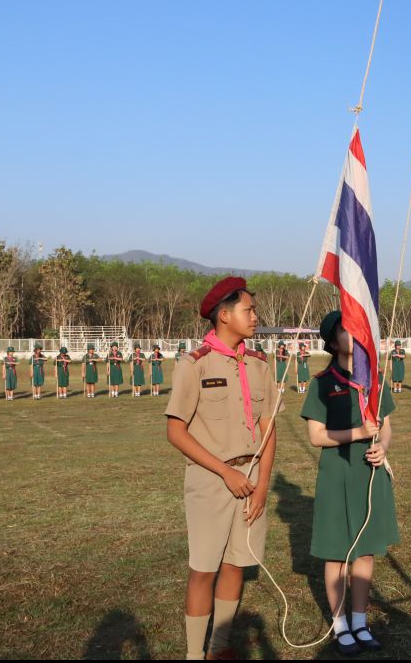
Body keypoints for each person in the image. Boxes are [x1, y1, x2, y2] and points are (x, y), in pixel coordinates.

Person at [166, 277, 278, 661]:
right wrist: (226, 472)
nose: (255, 316)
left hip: (251, 478)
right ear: (225, 316)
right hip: (211, 478)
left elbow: (268, 427)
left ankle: (219, 647)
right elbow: (175, 431)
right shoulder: (195, 365)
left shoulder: (260, 364)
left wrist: (262, 484)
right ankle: (194, 654)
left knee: (236, 564)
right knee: (203, 569)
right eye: (249, 310)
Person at [300, 310, 398, 656]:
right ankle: (340, 624)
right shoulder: (323, 383)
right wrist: (357, 433)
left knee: (366, 550)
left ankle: (360, 621)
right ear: (331, 341)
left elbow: (385, 426)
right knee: (337, 552)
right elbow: (316, 436)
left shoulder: (375, 378)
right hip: (337, 472)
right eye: (345, 330)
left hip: (369, 473)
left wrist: (383, 447)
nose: (354, 335)